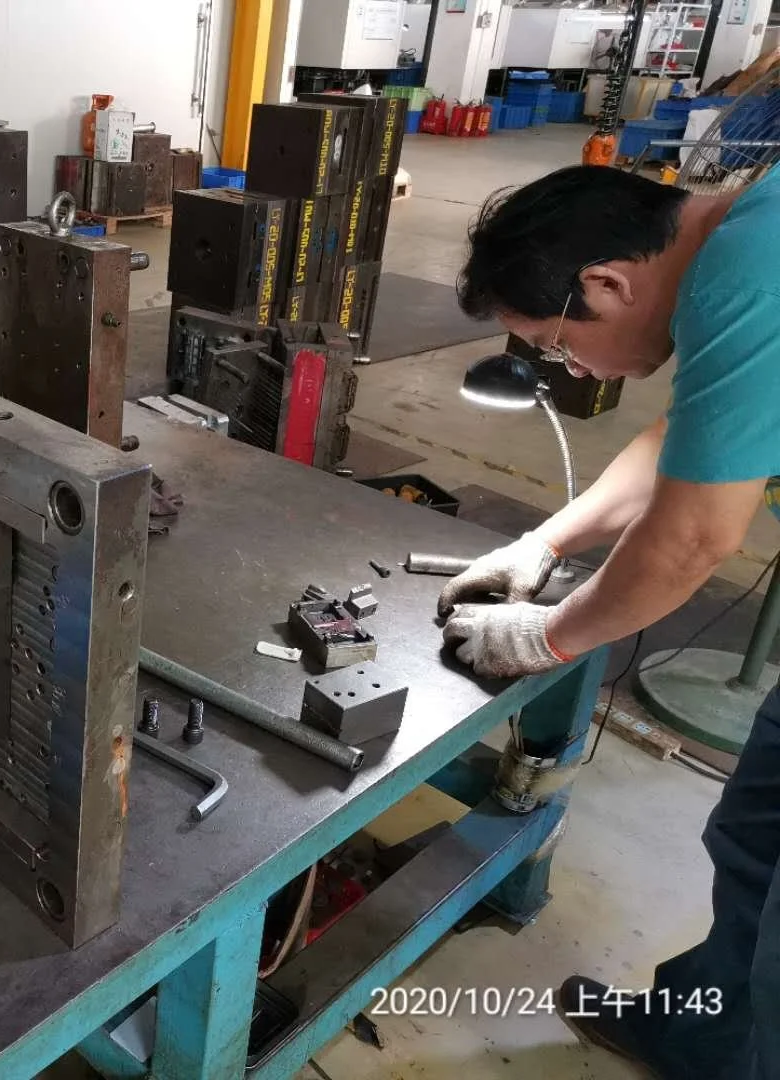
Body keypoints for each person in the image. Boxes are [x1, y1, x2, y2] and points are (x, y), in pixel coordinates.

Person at [444, 163, 780, 1079]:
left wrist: (545, 637)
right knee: (754, 834)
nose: (567, 369)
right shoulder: (739, 238)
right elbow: (689, 438)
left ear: (606, 283)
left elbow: (692, 541)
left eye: (555, 346)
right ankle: (701, 1040)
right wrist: (543, 546)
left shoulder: (753, 266)